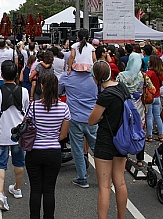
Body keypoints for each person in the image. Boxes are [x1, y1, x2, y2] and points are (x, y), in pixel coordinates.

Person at [25, 73, 70, 219]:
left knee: (35, 189)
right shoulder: (64, 108)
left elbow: (25, 126)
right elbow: (63, 135)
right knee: (49, 190)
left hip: (34, 151)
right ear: (57, 87)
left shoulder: (33, 107)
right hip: (53, 151)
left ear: (42, 86)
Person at [88, 60, 130, 219]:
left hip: (106, 140)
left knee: (105, 186)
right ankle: (121, 216)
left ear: (96, 77)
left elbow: (92, 120)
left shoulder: (105, 95)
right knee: (120, 182)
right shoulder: (122, 88)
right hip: (123, 138)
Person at [0, 60, 30, 212]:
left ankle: (1, 192)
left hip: (1, 134)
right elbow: (27, 114)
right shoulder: (24, 91)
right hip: (18, 134)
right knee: (19, 162)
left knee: (1, 164)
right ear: (16, 75)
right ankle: (17, 188)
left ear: (1, 75)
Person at [59, 53, 97, 188]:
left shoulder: (67, 77)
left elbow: (59, 91)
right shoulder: (95, 78)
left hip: (74, 117)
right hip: (93, 117)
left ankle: (82, 178)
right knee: (97, 148)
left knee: (77, 149)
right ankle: (105, 176)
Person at [145, 55, 163, 142]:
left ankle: (149, 135)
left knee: (149, 117)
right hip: (157, 96)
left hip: (150, 97)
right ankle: (161, 134)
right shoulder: (160, 74)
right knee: (157, 116)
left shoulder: (149, 73)